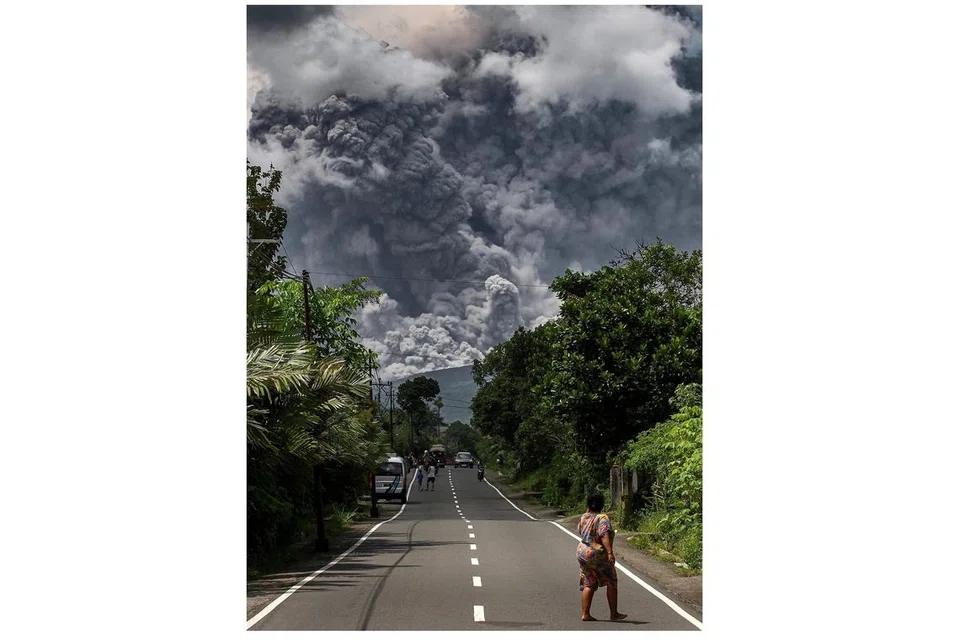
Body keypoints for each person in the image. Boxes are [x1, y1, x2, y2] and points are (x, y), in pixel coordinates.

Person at [577, 494, 627, 622]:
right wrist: (610, 552)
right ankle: (614, 614)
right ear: (601, 505)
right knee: (611, 581)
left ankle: (585, 614)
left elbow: (580, 531)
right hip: (597, 553)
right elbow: (604, 535)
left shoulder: (584, 517)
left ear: (588, 505)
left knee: (589, 581)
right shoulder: (602, 518)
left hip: (582, 552)